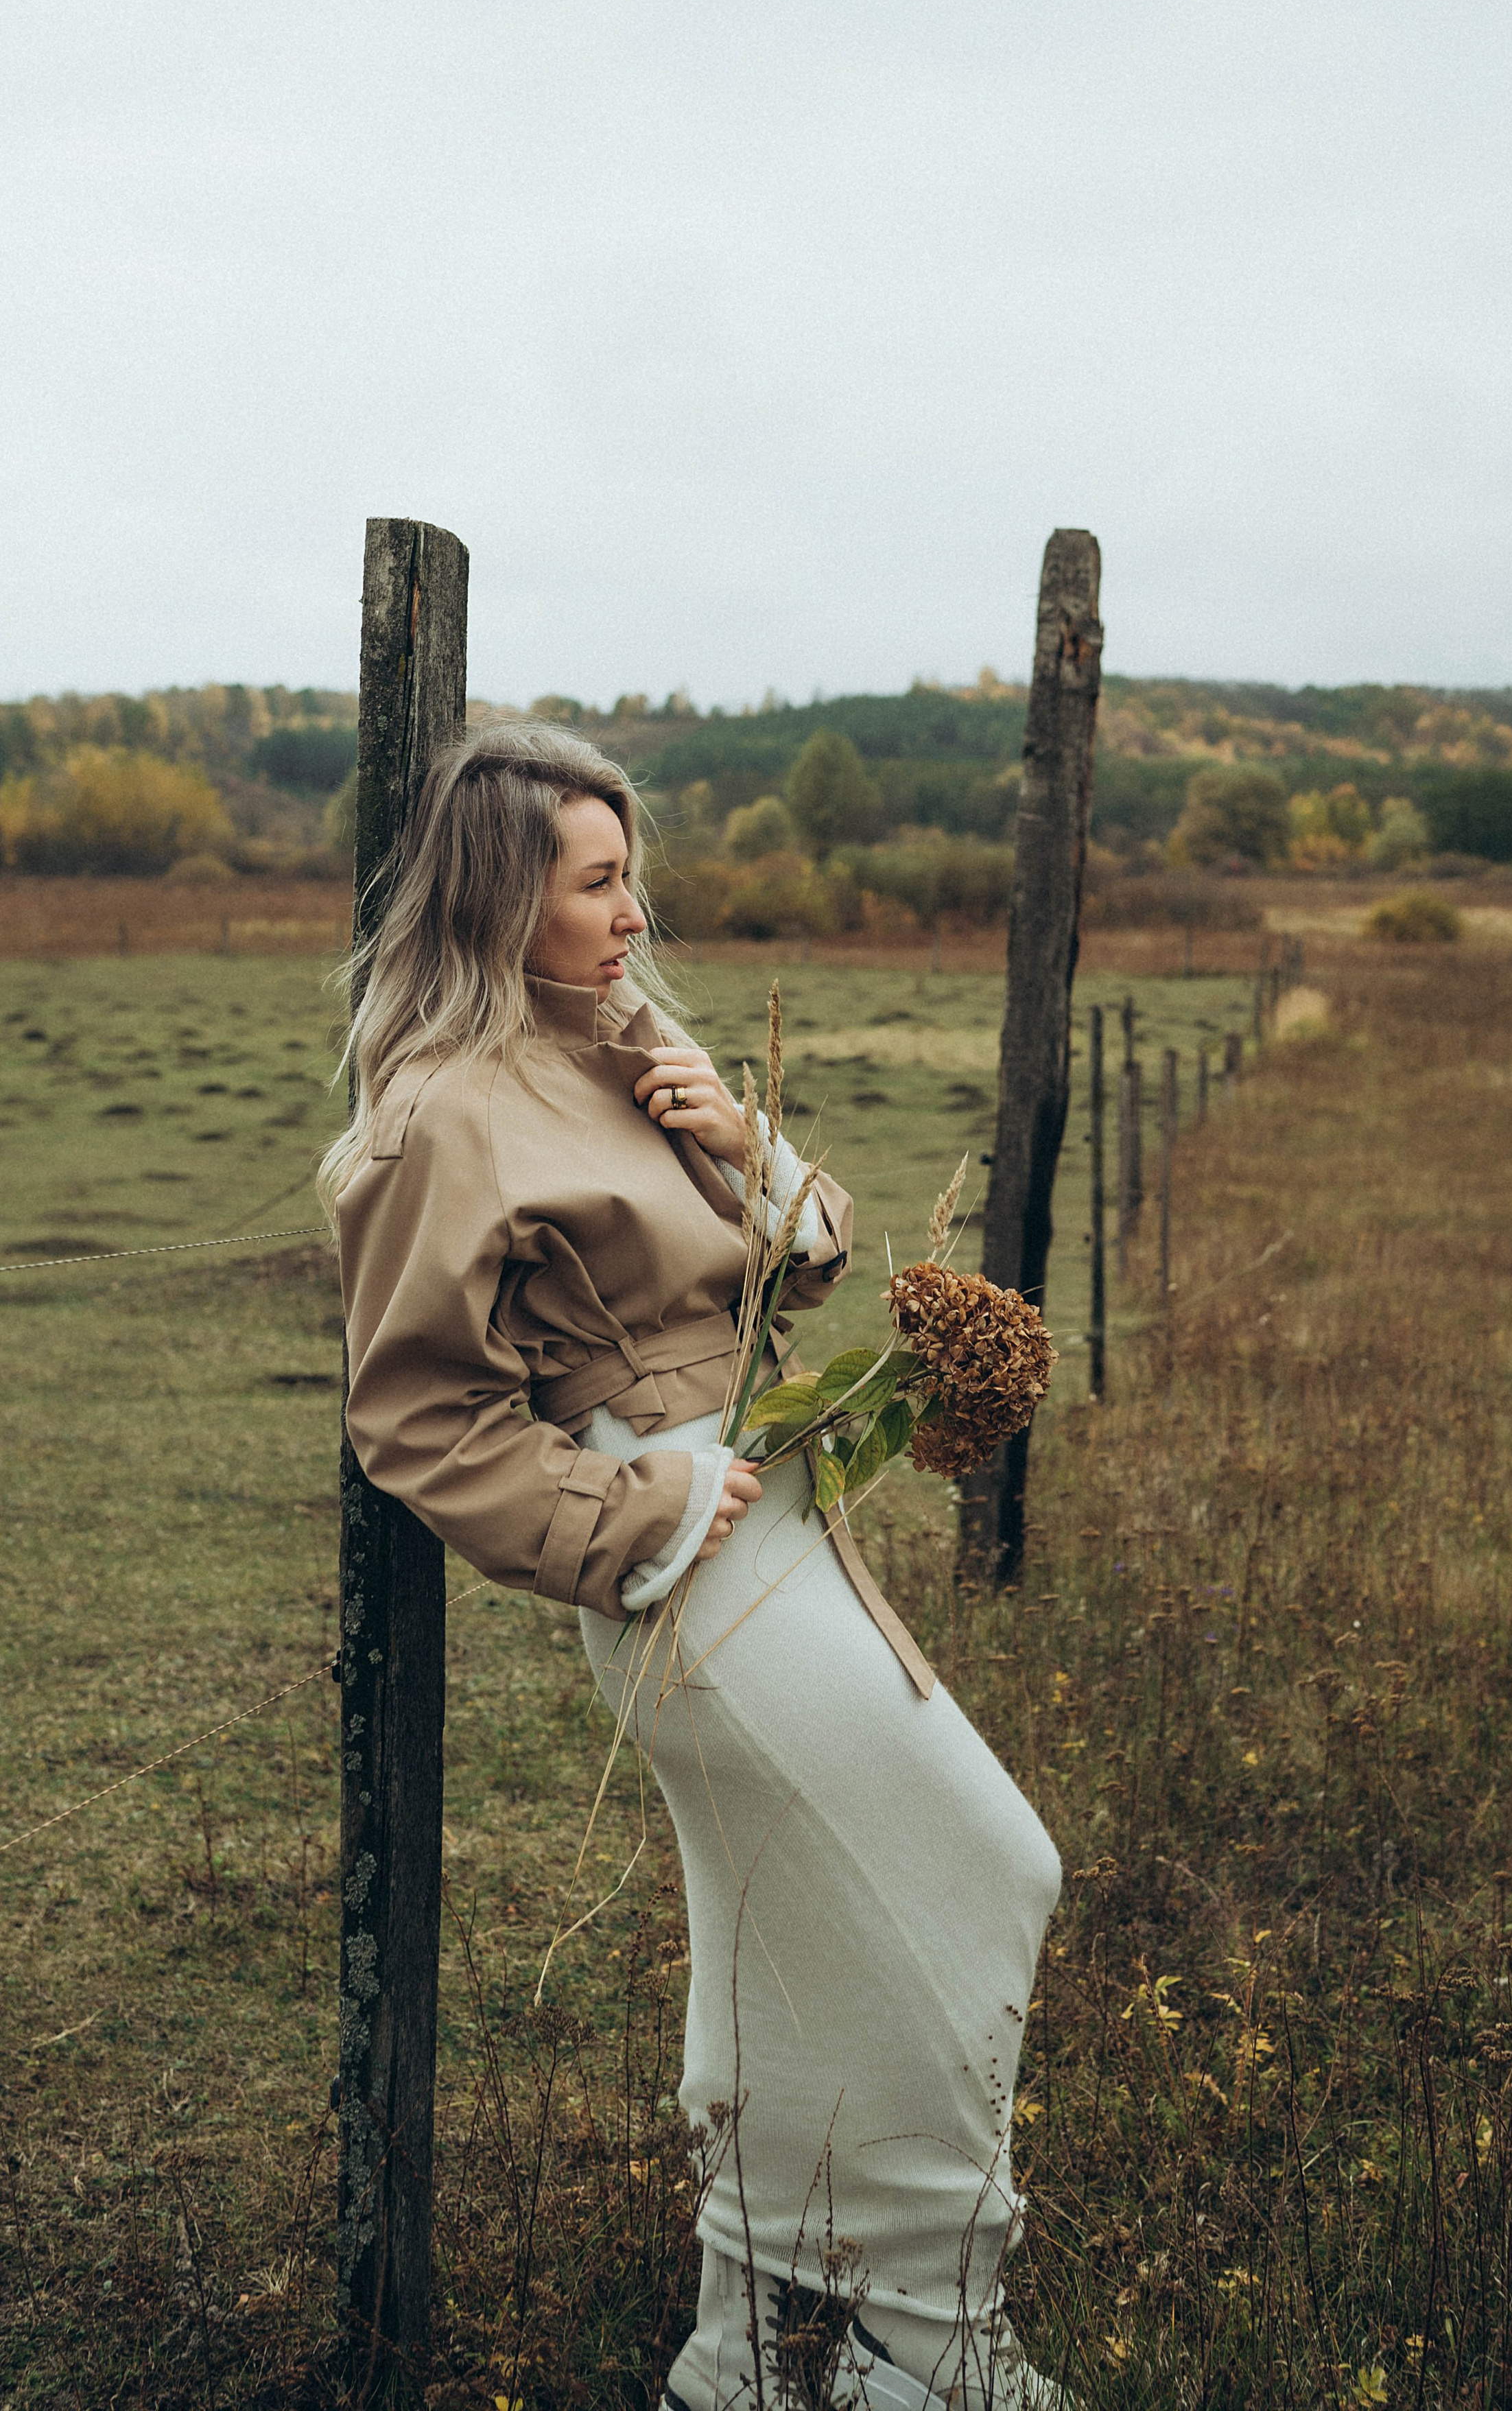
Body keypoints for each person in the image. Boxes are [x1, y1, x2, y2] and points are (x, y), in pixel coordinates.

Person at [324, 723, 1065, 2410]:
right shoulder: (439, 1112)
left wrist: (737, 1130)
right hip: (695, 1580)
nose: (635, 914)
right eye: (597, 883)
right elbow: (414, 1413)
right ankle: (936, 2351)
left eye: (628, 875)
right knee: (986, 1877)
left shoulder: (632, 1045)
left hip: (794, 1532)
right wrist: (629, 1508)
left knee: (786, 1938)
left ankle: (744, 2355)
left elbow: (790, 1269)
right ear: (504, 898)